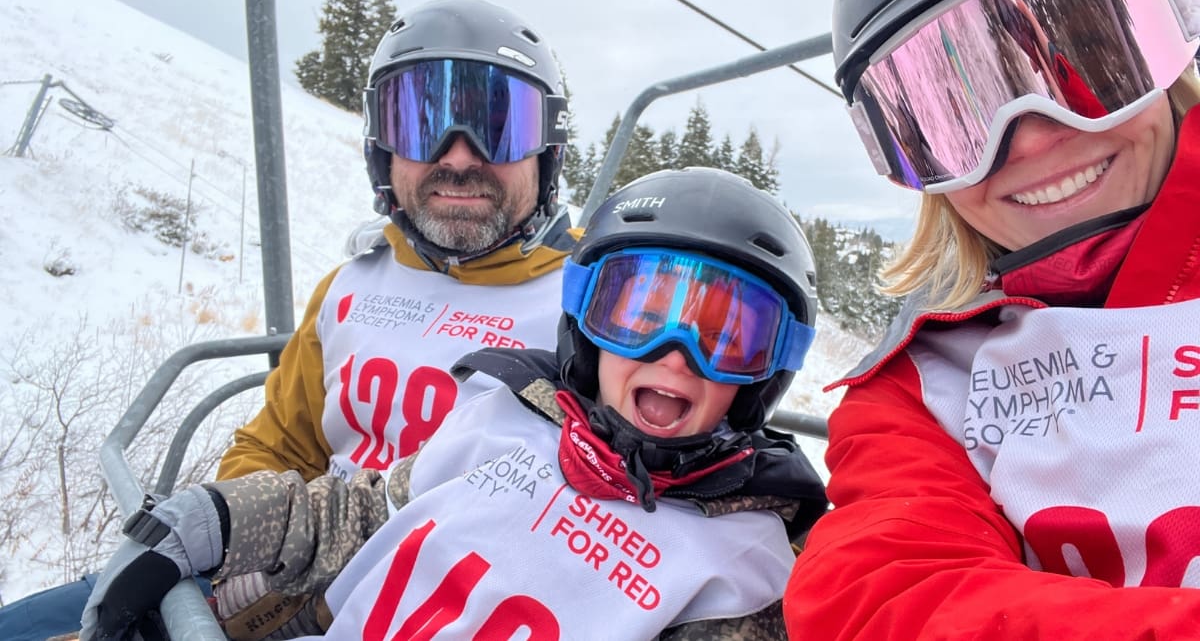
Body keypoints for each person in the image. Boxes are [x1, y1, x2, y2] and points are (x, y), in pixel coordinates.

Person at [0, 0, 578, 641]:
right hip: (281, 559)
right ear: (382, 148)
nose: (460, 156)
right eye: (422, 123)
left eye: (500, 127)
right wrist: (232, 552)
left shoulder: (594, 313)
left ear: (547, 151)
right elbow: (282, 442)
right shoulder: (355, 283)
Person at [79, 167, 829, 640]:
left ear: (764, 376)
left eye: (727, 335)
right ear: (586, 324)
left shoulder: (739, 563)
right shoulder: (505, 418)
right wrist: (215, 520)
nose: (674, 354)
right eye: (636, 312)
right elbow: (363, 513)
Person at [784, 0, 1200, 638]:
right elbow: (886, 594)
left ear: (1162, 50)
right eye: (960, 117)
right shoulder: (924, 391)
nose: (1034, 139)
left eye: (1089, 64)